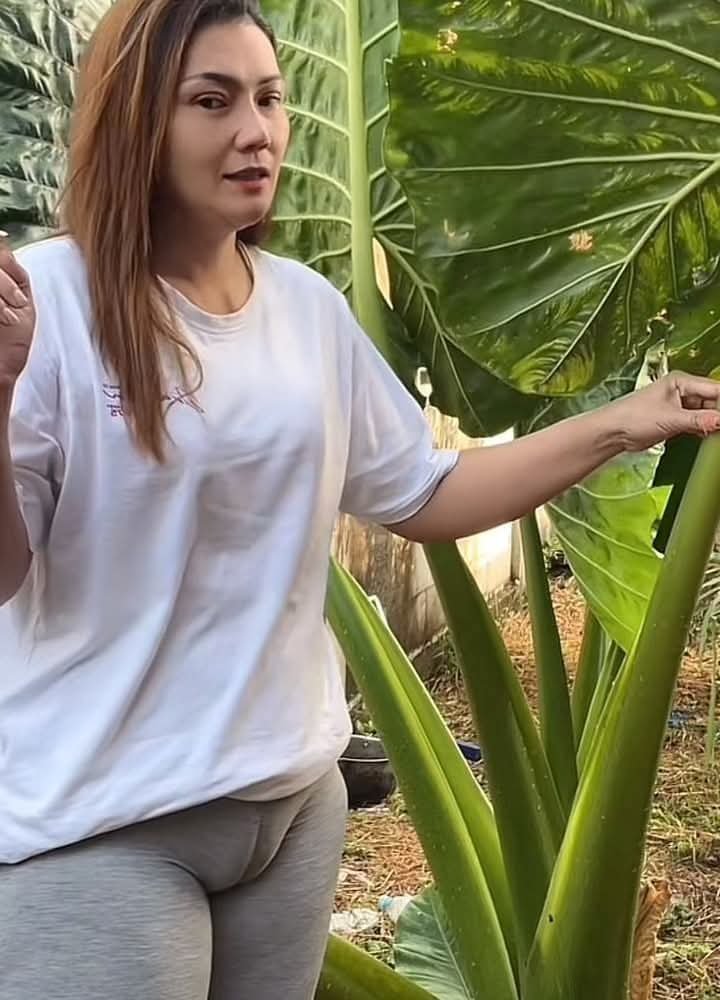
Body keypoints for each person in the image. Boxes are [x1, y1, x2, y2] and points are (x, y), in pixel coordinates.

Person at [0, 0, 719, 997]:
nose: (256, 132)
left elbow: (424, 490)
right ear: (135, 118)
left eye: (270, 98)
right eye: (212, 101)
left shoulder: (306, 308)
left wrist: (624, 423)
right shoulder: (44, 306)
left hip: (292, 807)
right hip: (107, 825)